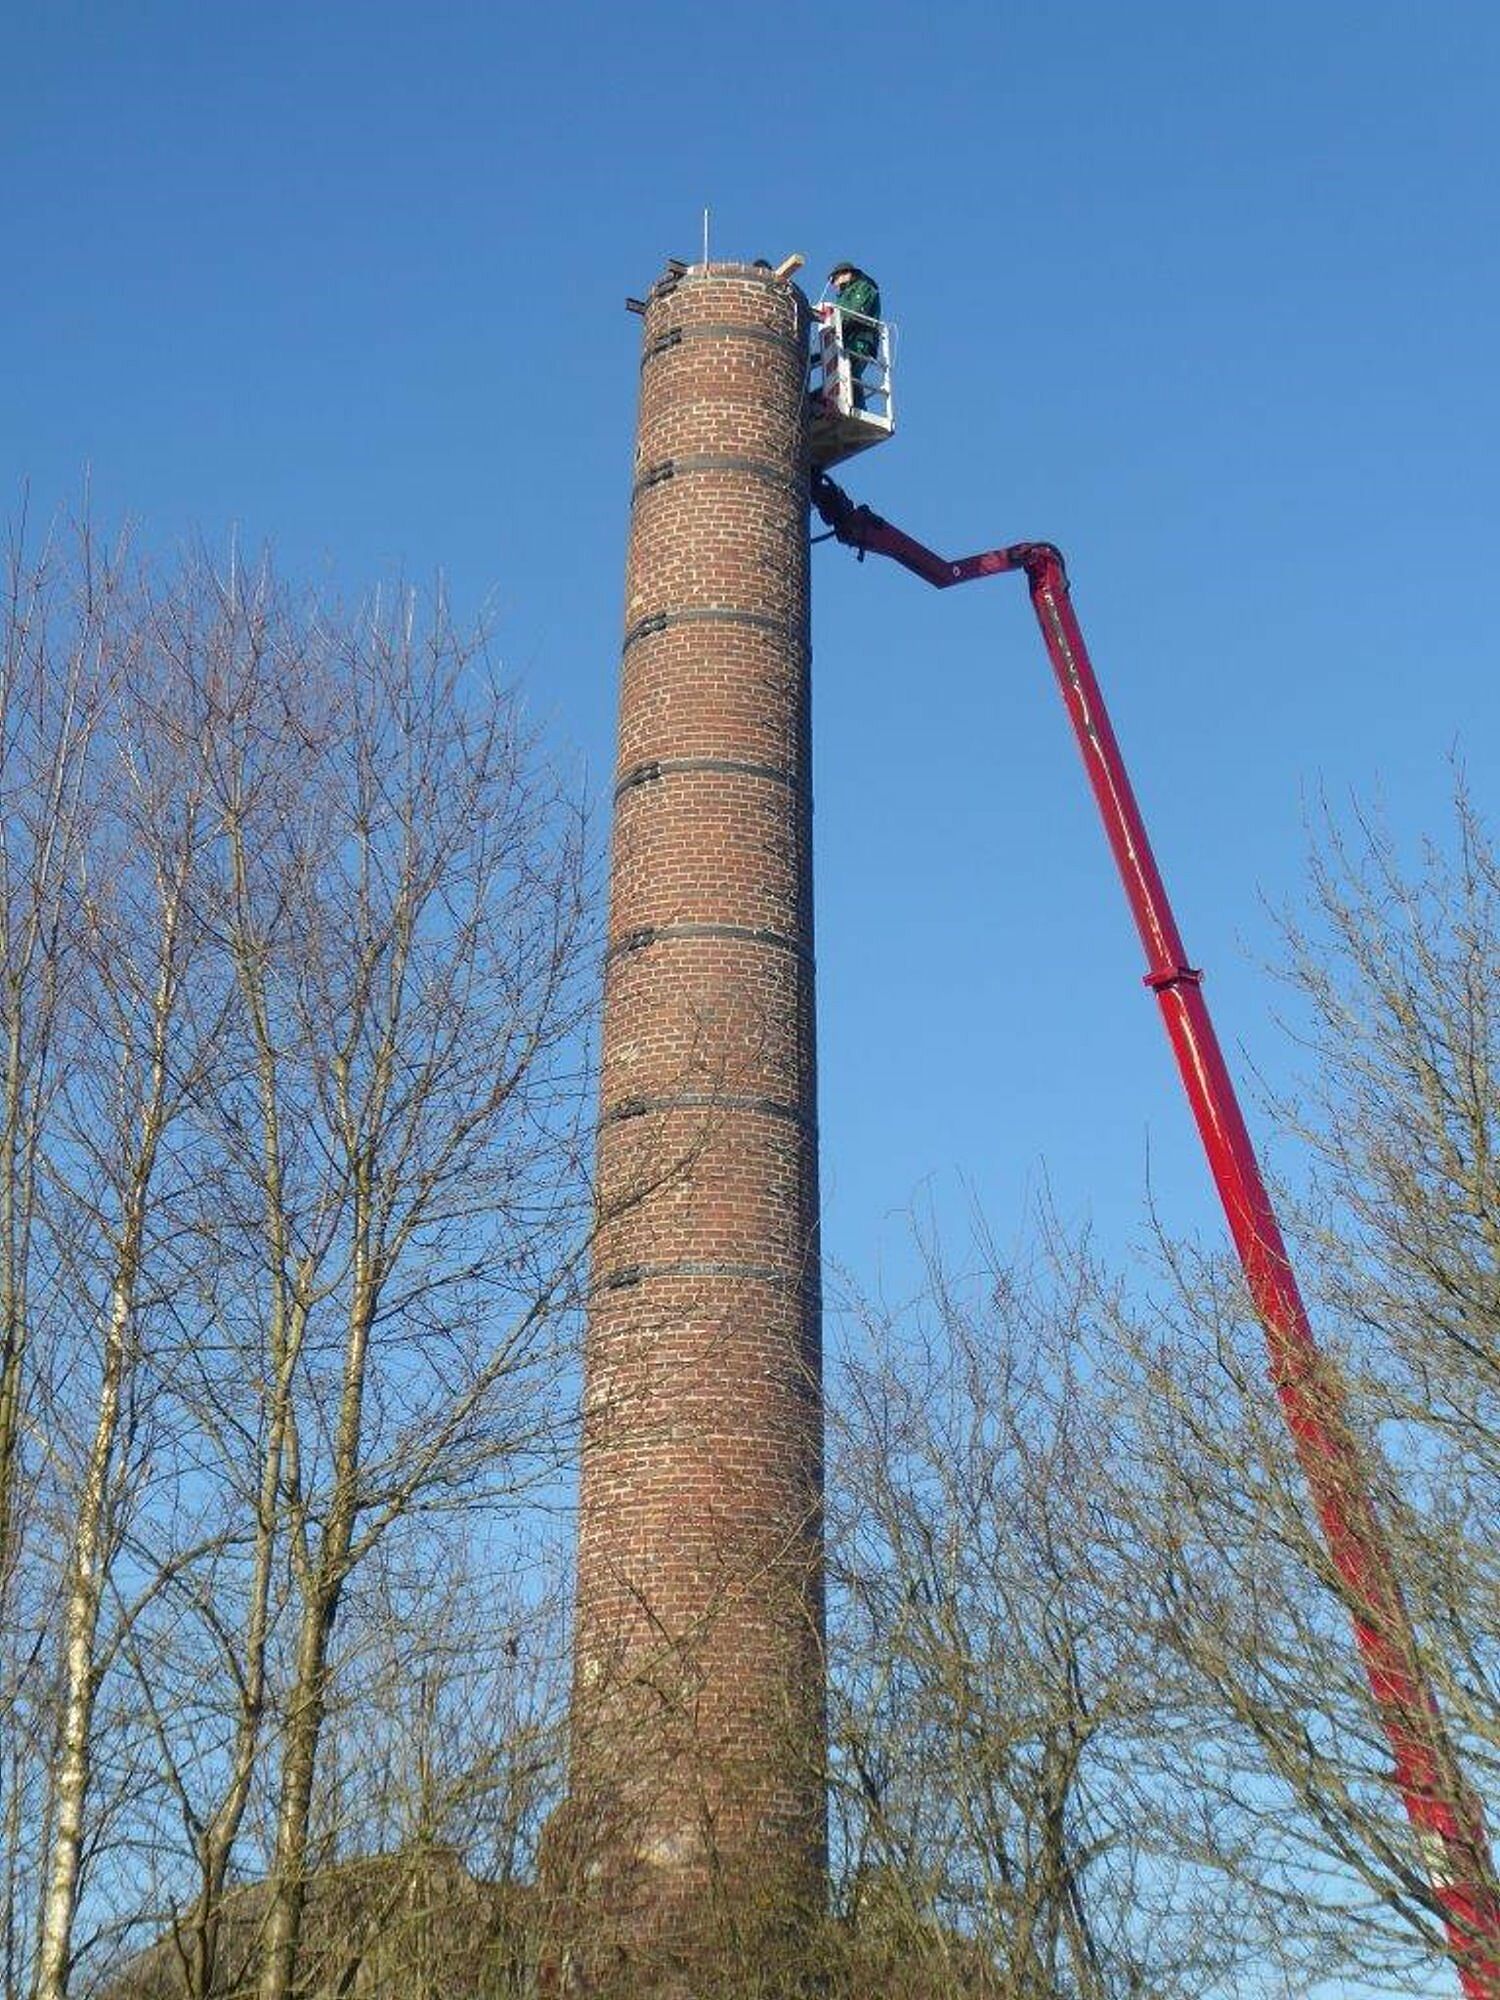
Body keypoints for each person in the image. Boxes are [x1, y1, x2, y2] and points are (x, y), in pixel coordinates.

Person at [828, 262, 881, 408]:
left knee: (851, 370)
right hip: (847, 338)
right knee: (844, 371)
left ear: (847, 274)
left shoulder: (863, 288)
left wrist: (835, 324)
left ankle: (857, 407)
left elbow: (855, 311)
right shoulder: (844, 295)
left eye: (835, 279)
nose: (834, 284)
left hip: (860, 337)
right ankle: (844, 403)